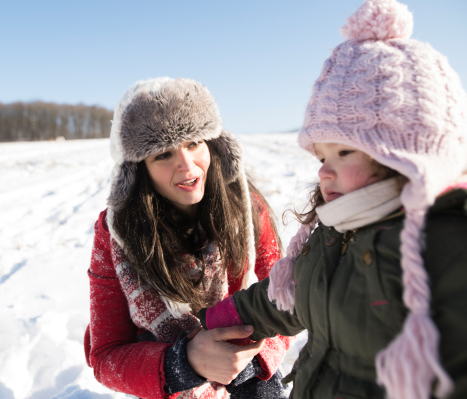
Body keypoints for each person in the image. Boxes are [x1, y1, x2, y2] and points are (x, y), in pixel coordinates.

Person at [197, 1, 467, 399]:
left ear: (403, 155)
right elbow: (283, 301)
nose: (324, 170)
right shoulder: (332, 233)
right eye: (322, 156)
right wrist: (217, 318)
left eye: (344, 153)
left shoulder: (445, 245)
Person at [83, 77, 292, 399]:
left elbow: (284, 298)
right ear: (140, 171)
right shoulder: (116, 235)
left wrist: (255, 364)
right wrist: (184, 362)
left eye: (194, 143)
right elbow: (105, 356)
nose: (186, 165)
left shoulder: (247, 211)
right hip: (169, 384)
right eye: (162, 155)